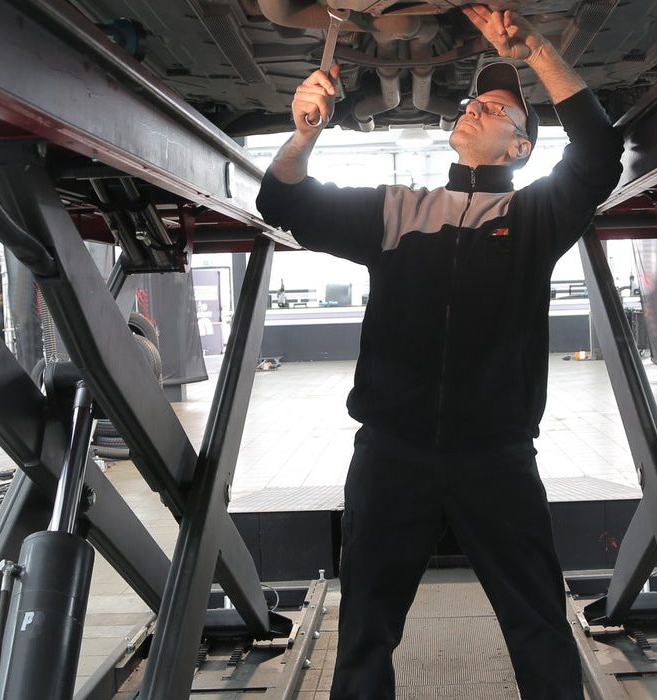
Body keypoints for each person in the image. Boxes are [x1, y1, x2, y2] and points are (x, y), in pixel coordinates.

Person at [256, 5, 623, 698]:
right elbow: (284, 202)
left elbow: (600, 156)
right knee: (365, 630)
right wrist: (303, 133)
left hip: (497, 458)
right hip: (392, 455)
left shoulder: (535, 217)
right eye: (474, 100)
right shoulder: (397, 209)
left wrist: (536, 50)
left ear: (519, 148)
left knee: (538, 625)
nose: (474, 108)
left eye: (493, 108)